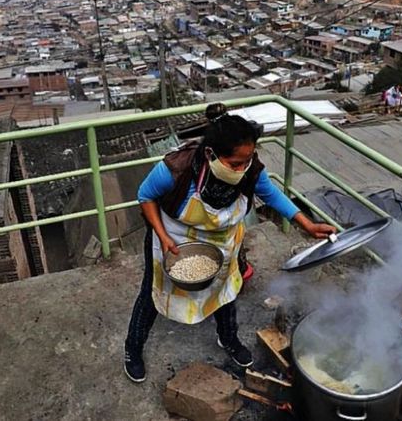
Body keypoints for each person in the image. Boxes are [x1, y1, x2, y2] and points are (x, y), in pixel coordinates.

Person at [124, 103, 336, 383]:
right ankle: (133, 350)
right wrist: (162, 237)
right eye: (235, 163)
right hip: (173, 239)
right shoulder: (177, 169)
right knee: (152, 293)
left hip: (222, 240)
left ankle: (229, 339)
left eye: (247, 161)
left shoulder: (251, 170)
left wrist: (306, 223)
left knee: (226, 289)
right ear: (211, 154)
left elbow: (271, 194)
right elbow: (145, 196)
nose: (243, 169)